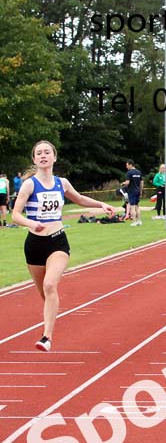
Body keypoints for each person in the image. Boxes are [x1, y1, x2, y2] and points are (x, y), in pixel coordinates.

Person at [11, 140, 115, 351]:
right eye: (39, 153)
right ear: (34, 159)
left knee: (50, 285)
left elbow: (79, 199)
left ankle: (46, 337)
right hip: (34, 245)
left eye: (47, 152)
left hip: (57, 241)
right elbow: (15, 215)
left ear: (54, 157)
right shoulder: (30, 184)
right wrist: (32, 223)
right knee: (45, 293)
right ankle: (53, 315)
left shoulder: (62, 183)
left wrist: (101, 204)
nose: (43, 156)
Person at [122, 160, 143, 226]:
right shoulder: (139, 172)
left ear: (131, 165)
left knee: (132, 207)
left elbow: (127, 182)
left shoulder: (129, 173)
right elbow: (141, 182)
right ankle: (139, 221)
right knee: (137, 206)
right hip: (137, 191)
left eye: (127, 165)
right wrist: (141, 191)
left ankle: (134, 222)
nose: (126, 166)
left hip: (132, 191)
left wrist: (123, 183)